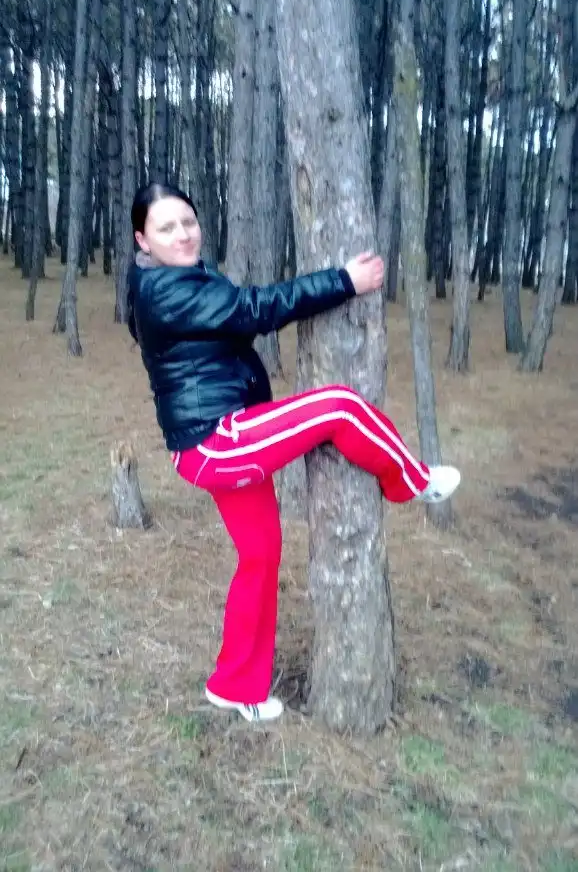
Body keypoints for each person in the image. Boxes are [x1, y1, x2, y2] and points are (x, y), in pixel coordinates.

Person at [128, 181, 460, 723]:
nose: (183, 234)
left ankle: (234, 686)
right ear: (143, 240)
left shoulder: (170, 277)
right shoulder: (165, 289)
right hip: (217, 440)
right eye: (167, 227)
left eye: (188, 221)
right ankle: (410, 480)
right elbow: (254, 309)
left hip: (215, 437)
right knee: (340, 408)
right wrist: (345, 281)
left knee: (260, 554)